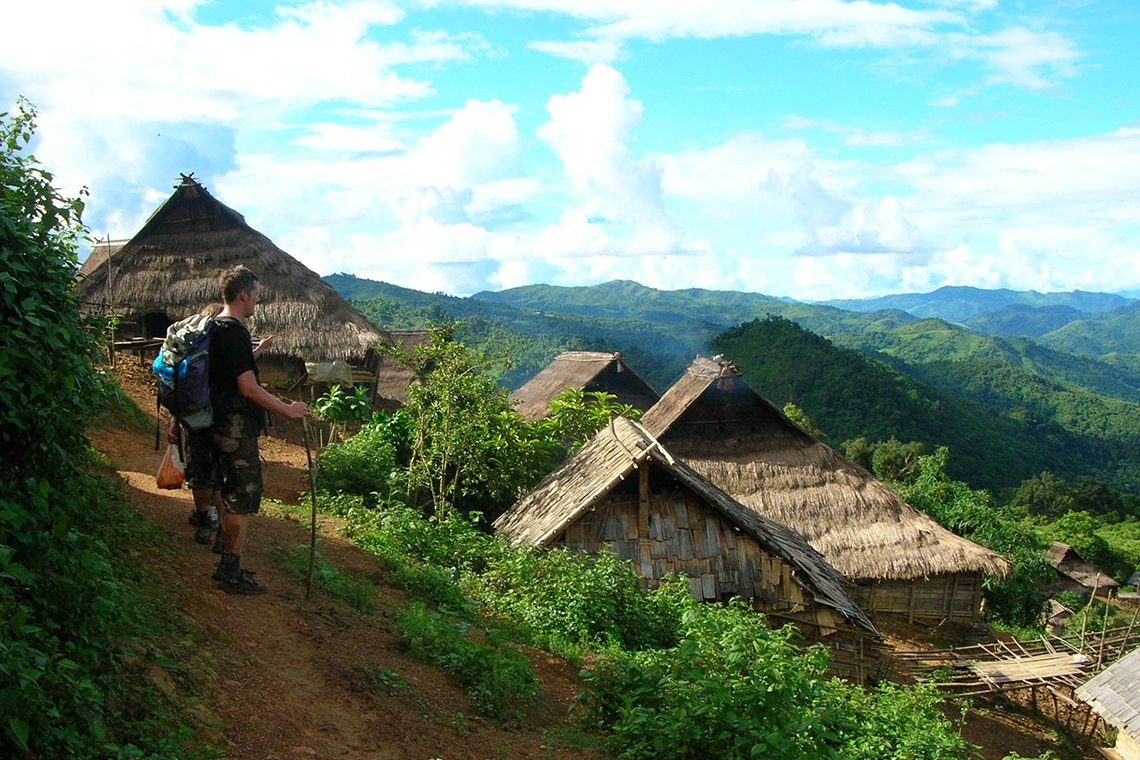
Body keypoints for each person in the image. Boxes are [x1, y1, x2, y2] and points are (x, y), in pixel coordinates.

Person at [209, 265, 309, 594]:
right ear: (243, 295)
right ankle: (232, 573)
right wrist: (288, 410)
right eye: (256, 295)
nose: (257, 301)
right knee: (240, 500)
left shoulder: (213, 328)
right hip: (234, 429)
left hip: (213, 424)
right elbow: (248, 388)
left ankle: (227, 564)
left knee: (225, 492)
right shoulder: (235, 332)